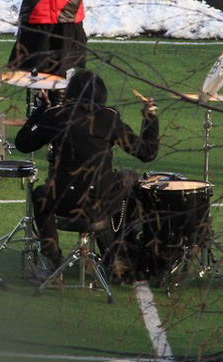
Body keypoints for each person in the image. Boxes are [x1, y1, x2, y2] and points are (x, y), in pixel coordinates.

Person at [13, 70, 158, 281]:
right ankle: (120, 252)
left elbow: (22, 143)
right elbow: (147, 152)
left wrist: (41, 109)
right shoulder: (110, 117)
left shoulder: (56, 116)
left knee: (40, 195)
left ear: (71, 92)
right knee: (129, 177)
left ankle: (54, 262)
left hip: (64, 203)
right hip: (101, 204)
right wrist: (150, 117)